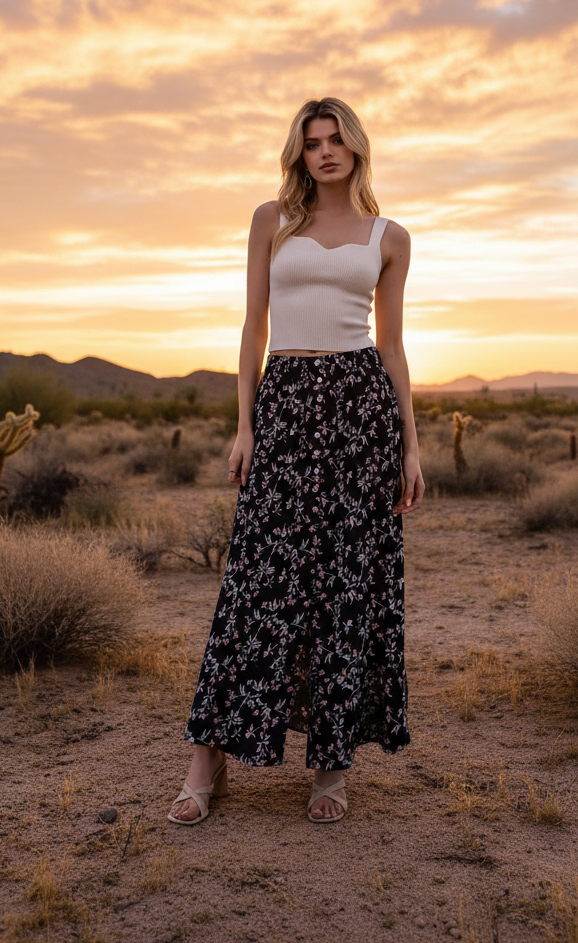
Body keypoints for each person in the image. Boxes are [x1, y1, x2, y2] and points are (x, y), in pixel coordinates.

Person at [168, 96, 425, 826]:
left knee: (347, 584)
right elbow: (253, 328)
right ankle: (207, 759)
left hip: (359, 412)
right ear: (300, 153)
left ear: (356, 147)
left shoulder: (389, 237)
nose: (325, 151)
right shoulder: (270, 221)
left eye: (336, 138)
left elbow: (391, 346)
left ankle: (331, 763)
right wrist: (244, 425)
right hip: (282, 403)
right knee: (257, 579)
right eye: (312, 142)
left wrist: (410, 444)